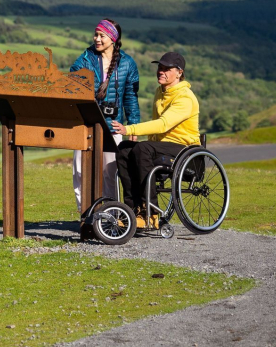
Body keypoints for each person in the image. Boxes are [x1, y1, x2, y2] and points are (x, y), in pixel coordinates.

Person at [111, 51, 200, 228]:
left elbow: (163, 125)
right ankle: (132, 210)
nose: (161, 71)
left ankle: (150, 213)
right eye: (160, 67)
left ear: (179, 72)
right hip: (161, 147)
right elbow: (156, 132)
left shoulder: (185, 97)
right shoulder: (160, 92)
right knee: (124, 149)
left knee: (142, 149)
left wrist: (129, 128)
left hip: (185, 149)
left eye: (167, 68)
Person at [70, 19, 140, 212]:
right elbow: (72, 81)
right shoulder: (85, 59)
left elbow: (131, 97)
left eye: (102, 36)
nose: (97, 39)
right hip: (85, 125)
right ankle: (86, 215)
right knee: (80, 171)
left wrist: (133, 125)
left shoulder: (127, 63)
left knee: (110, 172)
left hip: (113, 126)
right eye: (96, 34)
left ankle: (111, 215)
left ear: (113, 38)